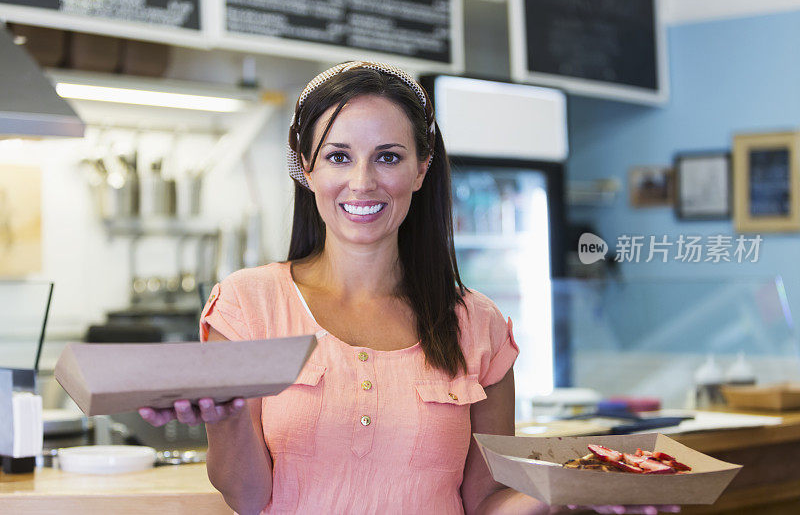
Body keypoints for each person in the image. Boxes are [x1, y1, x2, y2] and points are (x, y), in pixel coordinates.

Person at [139, 61, 678, 515]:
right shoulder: (246, 304)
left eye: (389, 157)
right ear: (306, 168)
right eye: (338, 156)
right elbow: (249, 497)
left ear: (421, 169)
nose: (362, 182)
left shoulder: (478, 325)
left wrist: (573, 489)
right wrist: (224, 414)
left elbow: (482, 503)